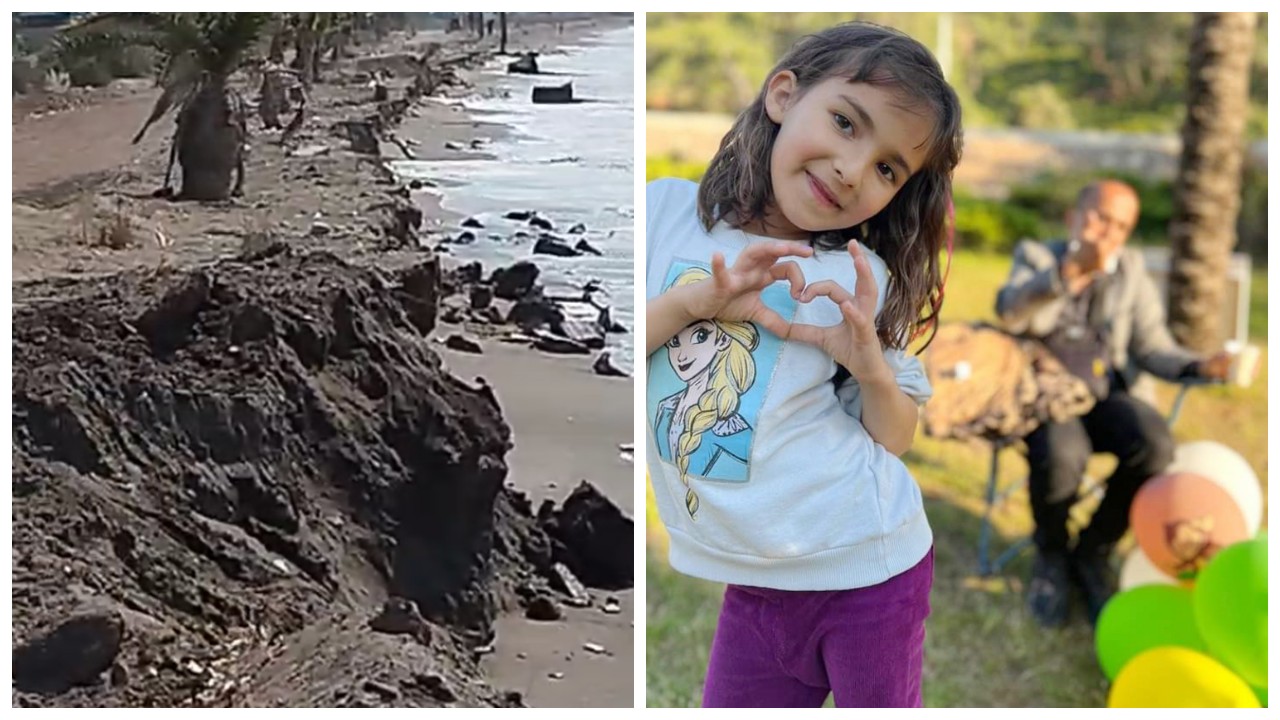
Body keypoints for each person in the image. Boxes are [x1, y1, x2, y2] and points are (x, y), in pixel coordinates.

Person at [645, 22, 962, 707]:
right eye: (846, 122)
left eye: (886, 168)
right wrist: (697, 303)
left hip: (868, 568)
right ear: (783, 95)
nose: (853, 168)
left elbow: (896, 435)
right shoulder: (663, 214)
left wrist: (870, 365)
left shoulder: (852, 277)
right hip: (756, 582)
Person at [995, 179, 1233, 628]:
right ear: (1073, 217)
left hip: (1106, 394)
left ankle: (1094, 548)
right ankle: (1052, 553)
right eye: (1101, 217)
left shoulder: (1130, 271)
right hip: (1046, 396)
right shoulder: (1037, 256)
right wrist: (1067, 274)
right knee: (1063, 455)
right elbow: (1010, 312)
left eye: (1121, 226)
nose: (1108, 233)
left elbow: (1153, 346)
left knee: (1155, 445)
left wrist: (1203, 366)